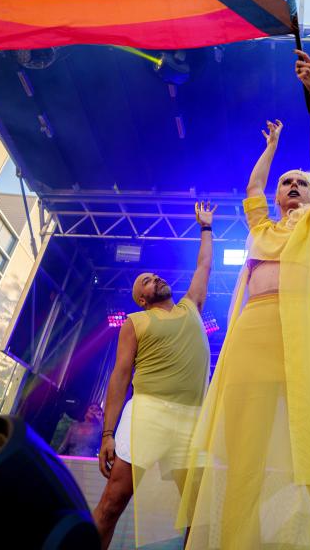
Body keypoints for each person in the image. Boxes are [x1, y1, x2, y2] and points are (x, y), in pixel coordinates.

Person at [179, 50, 310, 549]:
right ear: (280, 198)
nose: (295, 185)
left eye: (301, 182)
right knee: (242, 450)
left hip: (304, 338)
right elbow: (254, 185)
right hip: (252, 338)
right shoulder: (261, 226)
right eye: (289, 183)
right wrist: (273, 147)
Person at [92, 202, 215, 549]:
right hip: (148, 414)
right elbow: (119, 377)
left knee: (197, 513)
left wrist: (206, 228)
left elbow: (204, 265)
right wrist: (107, 433)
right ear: (141, 299)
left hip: (194, 419)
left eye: (155, 276)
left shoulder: (192, 307)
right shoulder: (136, 321)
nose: (155, 278)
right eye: (146, 280)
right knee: (113, 502)